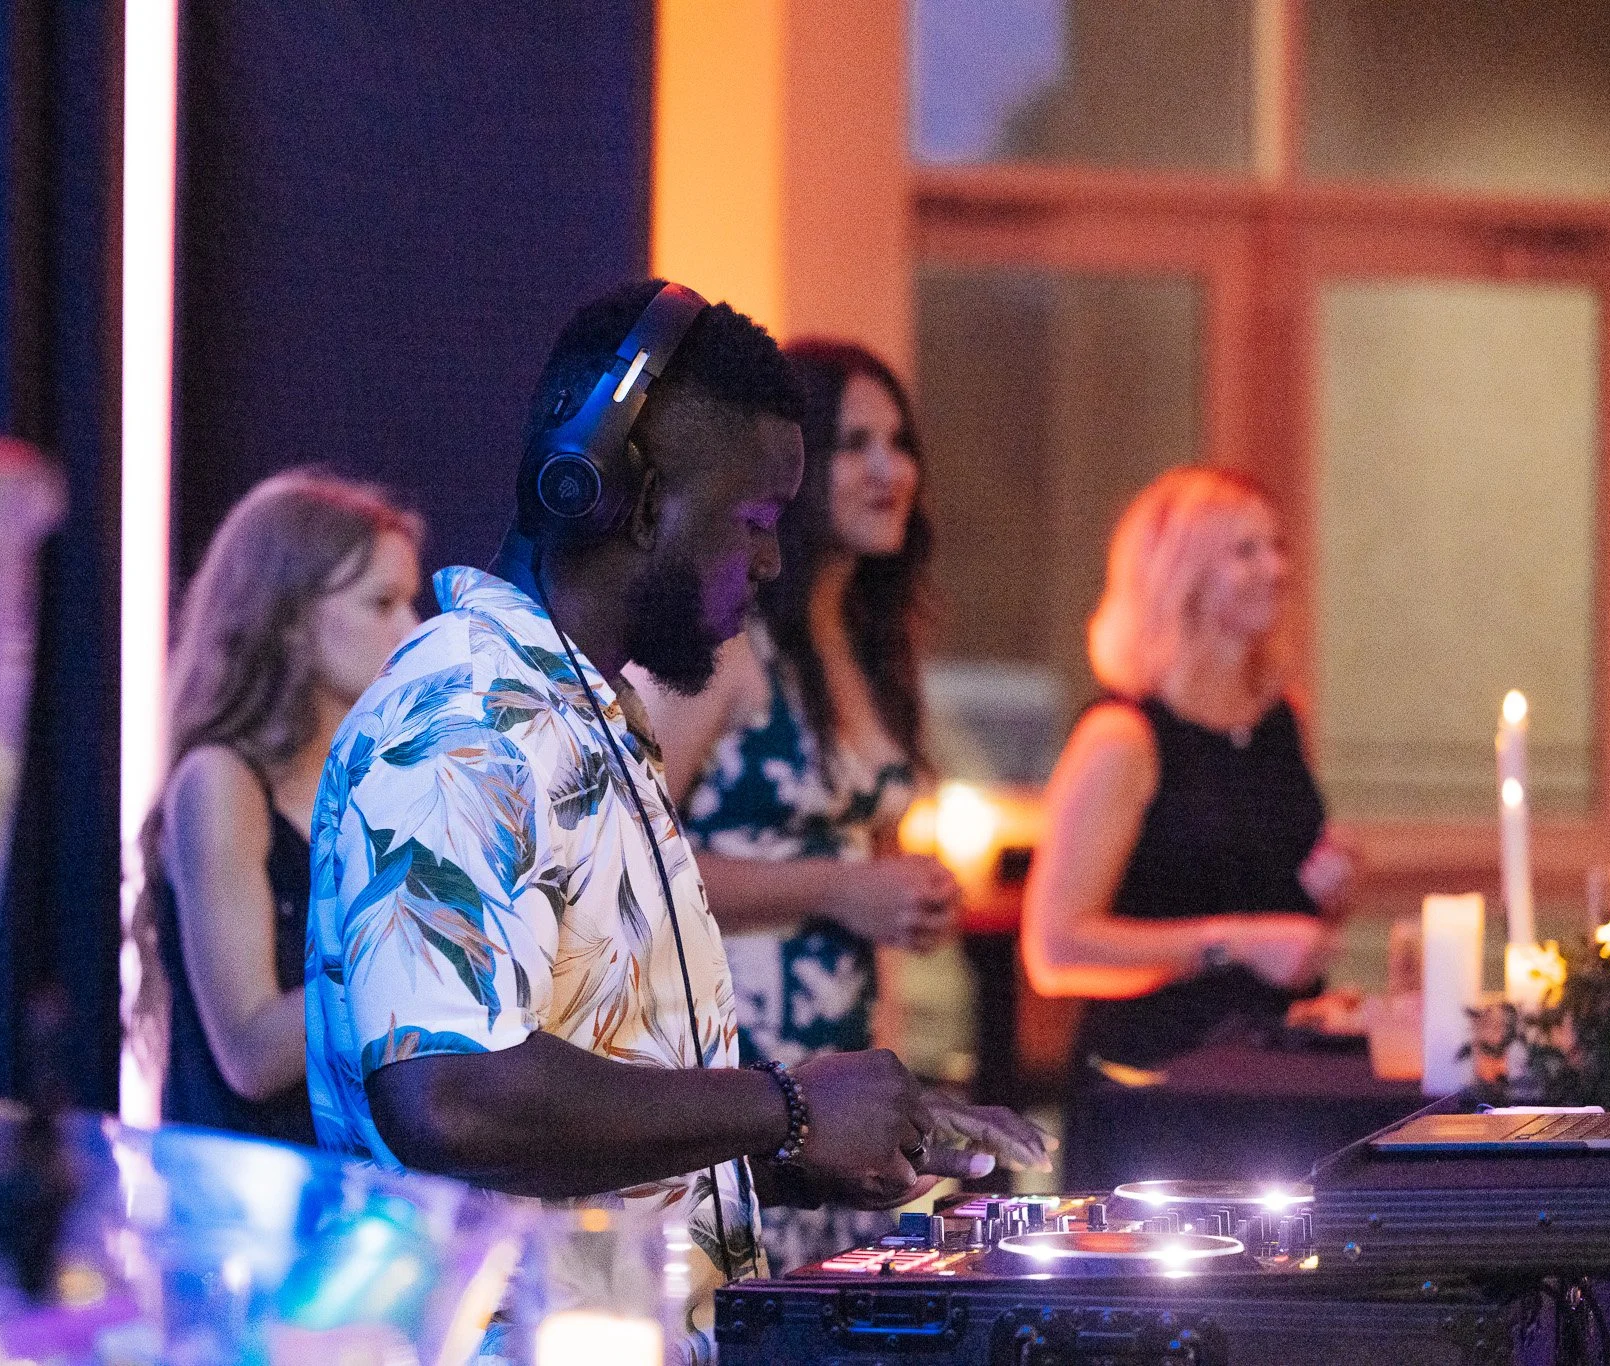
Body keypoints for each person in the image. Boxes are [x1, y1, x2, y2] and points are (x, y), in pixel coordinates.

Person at [306, 282, 1050, 1359]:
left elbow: (586, 1107)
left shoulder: (590, 723)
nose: (768, 559)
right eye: (752, 520)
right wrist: (784, 1107)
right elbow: (452, 1098)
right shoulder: (461, 717)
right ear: (630, 500)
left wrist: (818, 1139)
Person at [635, 340, 1017, 1272]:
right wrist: (842, 889)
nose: (890, 470)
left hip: (850, 1064)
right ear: (792, 468)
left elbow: (868, 868)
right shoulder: (726, 645)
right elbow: (635, 863)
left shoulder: (869, 645)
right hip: (735, 1068)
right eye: (854, 444)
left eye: (899, 441)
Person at [1023, 467, 1355, 1125]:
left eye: (1276, 547)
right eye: (1245, 551)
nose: (1277, 568)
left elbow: (1272, 909)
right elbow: (1055, 950)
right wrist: (1238, 941)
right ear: (1180, 576)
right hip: (1155, 1088)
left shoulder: (1280, 721)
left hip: (1274, 1079)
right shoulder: (1123, 737)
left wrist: (1327, 893)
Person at [128, 469, 423, 1143]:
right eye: (382, 604)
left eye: (411, 601)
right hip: (249, 1207)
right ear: (288, 621)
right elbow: (250, 1054)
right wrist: (420, 952)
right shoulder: (220, 782)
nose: (413, 630)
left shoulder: (388, 780)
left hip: (371, 1206)